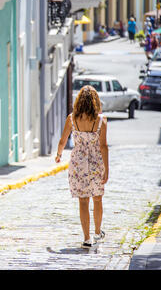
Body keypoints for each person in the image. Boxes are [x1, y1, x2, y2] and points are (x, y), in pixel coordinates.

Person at [55, 85, 109, 249]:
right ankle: (98, 232)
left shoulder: (71, 118)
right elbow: (103, 146)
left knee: (83, 201)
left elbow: (63, 141)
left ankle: (87, 238)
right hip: (95, 162)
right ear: (95, 102)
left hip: (78, 163)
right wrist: (106, 169)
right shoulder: (101, 120)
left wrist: (58, 155)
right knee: (97, 198)